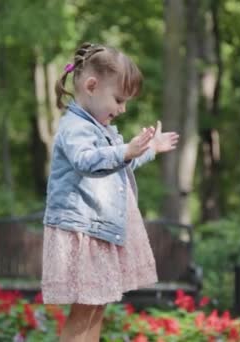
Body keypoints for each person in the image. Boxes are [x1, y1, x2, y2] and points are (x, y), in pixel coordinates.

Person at [41, 42, 179, 341]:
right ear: (91, 85)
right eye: (118, 99)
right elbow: (86, 161)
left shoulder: (100, 128)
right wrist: (125, 150)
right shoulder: (75, 127)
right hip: (83, 231)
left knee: (96, 307)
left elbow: (118, 163)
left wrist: (148, 149)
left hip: (101, 232)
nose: (122, 108)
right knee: (84, 311)